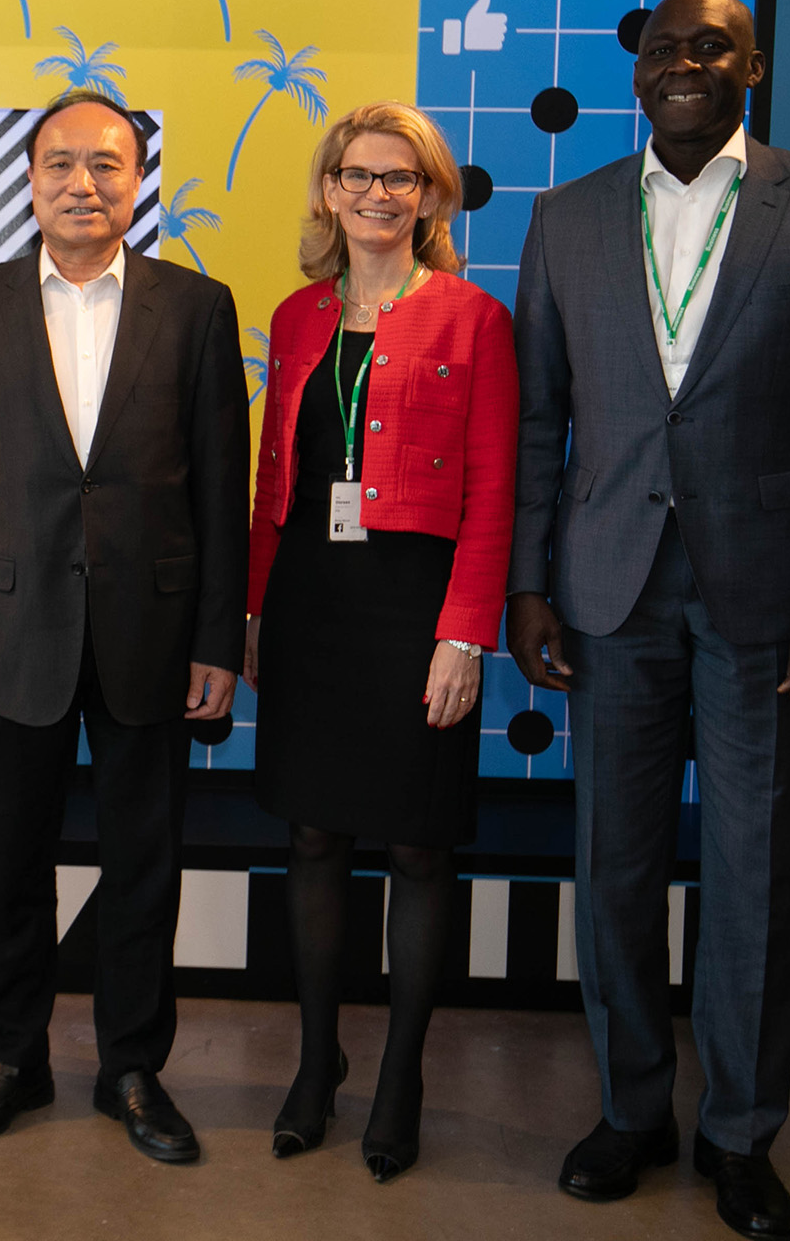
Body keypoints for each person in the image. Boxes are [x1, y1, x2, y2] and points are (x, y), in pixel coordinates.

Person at [507, 0, 790, 1240]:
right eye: (664, 48)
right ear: (637, 73)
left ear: (754, 65)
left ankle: (741, 1133)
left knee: (752, 876)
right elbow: (537, 421)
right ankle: (634, 1110)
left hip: (769, 606)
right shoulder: (566, 216)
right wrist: (529, 580)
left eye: (711, 46)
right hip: (609, 590)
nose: (685, 63)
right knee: (615, 865)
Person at [0, 91, 246, 1163]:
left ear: (136, 180)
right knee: (13, 863)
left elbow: (220, 486)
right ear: (28, 178)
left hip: (154, 628)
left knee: (144, 860)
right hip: (15, 629)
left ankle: (132, 1066)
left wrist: (219, 637)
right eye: (60, 162)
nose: (82, 183)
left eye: (105, 164)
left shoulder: (197, 307)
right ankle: (11, 1054)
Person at [242, 102, 517, 1181]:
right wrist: (258, 613)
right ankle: (319, 1063)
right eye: (357, 174)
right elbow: (278, 484)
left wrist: (466, 637)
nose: (377, 193)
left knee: (417, 845)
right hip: (313, 603)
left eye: (401, 178)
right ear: (328, 189)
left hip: (418, 611)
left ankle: (401, 1074)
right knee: (313, 837)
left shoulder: (473, 320)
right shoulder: (296, 316)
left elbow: (496, 492)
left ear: (431, 197)